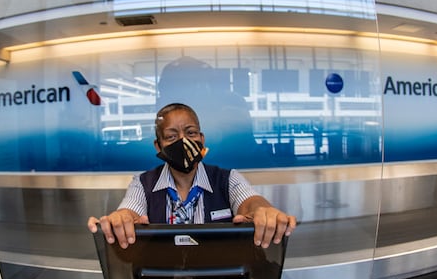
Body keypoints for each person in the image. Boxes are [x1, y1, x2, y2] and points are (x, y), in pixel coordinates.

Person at [88, 103, 296, 248]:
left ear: (202, 139)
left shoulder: (227, 178)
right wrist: (122, 219)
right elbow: (130, 210)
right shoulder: (142, 183)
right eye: (171, 136)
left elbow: (250, 202)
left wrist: (263, 211)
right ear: (158, 146)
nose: (183, 141)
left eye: (191, 133)